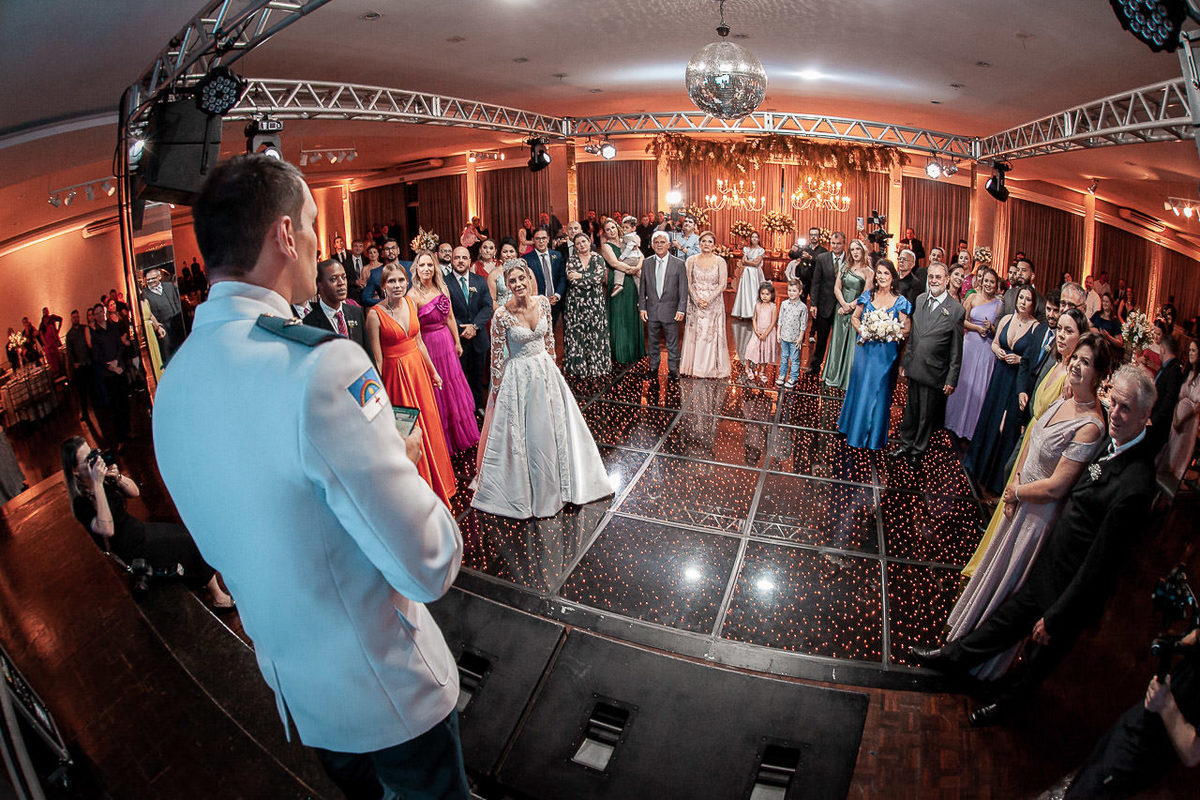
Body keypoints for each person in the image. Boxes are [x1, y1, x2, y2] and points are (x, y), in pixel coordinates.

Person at [153, 156, 467, 798]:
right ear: (285, 236)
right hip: (389, 693)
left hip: (303, 698)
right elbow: (429, 564)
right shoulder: (320, 368)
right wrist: (403, 462)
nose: (321, 244)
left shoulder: (173, 385)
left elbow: (221, 545)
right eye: (314, 225)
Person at [912, 365, 1160, 728]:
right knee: (1005, 621)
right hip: (1052, 562)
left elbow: (1100, 564)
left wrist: (1058, 616)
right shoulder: (1113, 441)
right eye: (1115, 403)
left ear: (1145, 415)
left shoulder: (1137, 483)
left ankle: (1005, 709)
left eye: (1126, 408)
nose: (1116, 414)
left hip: (1073, 588)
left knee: (1040, 657)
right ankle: (951, 658)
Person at [946, 335, 1108, 679]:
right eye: (1076, 358)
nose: (1076, 365)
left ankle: (980, 665)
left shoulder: (1091, 425)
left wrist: (1017, 493)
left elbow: (1057, 486)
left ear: (1099, 375)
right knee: (992, 569)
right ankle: (962, 636)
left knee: (1007, 584)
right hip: (1018, 497)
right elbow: (1033, 443)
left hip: (1036, 514)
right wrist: (1013, 486)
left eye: (1086, 362)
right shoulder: (1066, 397)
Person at [473, 262, 614, 519]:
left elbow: (549, 341)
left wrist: (554, 372)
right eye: (512, 281)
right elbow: (496, 355)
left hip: (545, 372)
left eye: (521, 278)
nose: (518, 284)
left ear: (529, 278)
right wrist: (496, 389)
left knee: (556, 426)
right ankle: (532, 491)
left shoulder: (543, 304)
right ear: (507, 285)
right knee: (529, 432)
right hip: (518, 376)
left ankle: (565, 483)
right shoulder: (502, 315)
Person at [64, 436, 236, 609]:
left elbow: (135, 492)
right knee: (190, 545)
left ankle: (207, 582)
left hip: (138, 530)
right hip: (130, 549)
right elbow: (107, 529)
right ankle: (218, 598)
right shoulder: (82, 503)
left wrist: (117, 478)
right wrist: (97, 485)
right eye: (88, 459)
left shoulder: (102, 479)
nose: (95, 460)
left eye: (93, 453)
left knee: (192, 534)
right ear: (75, 470)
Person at [1064, 626, 1200, 797]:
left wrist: (1166, 704)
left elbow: (1193, 753)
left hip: (1145, 750)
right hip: (1136, 723)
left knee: (1090, 791)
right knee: (1086, 778)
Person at [366, 263, 458, 506]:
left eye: (400, 280)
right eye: (391, 281)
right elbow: (377, 359)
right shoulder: (374, 315)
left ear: (407, 282)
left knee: (429, 424)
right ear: (383, 286)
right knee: (408, 429)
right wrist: (381, 394)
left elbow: (419, 342)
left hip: (418, 371)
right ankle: (415, 492)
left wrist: (433, 371)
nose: (397, 285)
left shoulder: (410, 303)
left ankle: (440, 484)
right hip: (396, 377)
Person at [964, 285, 1041, 495]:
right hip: (999, 374)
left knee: (1006, 427)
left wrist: (1020, 359)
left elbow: (1034, 361)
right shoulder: (1006, 319)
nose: (1023, 302)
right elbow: (995, 343)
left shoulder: (1036, 328)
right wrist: (997, 350)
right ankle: (978, 464)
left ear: (1033, 304)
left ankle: (996, 478)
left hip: (1016, 380)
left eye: (1028, 299)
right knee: (990, 416)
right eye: (1021, 298)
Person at [889, 262, 965, 466]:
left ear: (947, 280)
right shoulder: (921, 299)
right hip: (915, 365)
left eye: (938, 277)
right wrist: (905, 361)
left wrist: (952, 379)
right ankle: (906, 443)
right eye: (931, 276)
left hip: (935, 371)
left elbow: (956, 350)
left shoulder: (956, 310)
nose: (934, 281)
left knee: (926, 414)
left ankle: (918, 448)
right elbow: (914, 335)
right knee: (910, 410)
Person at [407, 250, 480, 455]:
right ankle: (442, 440)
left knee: (453, 386)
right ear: (416, 268)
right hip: (428, 345)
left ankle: (460, 435)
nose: (426, 269)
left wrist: (457, 342)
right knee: (437, 388)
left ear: (435, 268)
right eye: (422, 265)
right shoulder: (412, 295)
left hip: (447, 342)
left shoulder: (442, 288)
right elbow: (414, 331)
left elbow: (450, 317)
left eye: (430, 265)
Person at [837, 259, 912, 450]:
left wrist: (889, 332)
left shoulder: (900, 301)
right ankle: (852, 428)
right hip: (865, 350)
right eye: (879, 273)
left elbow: (906, 329)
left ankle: (873, 436)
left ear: (893, 277)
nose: (882, 276)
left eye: (886, 273)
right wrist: (864, 330)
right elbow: (855, 318)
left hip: (885, 355)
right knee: (859, 386)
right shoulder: (867, 295)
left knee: (879, 391)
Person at [946, 267, 1002, 439]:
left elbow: (999, 331)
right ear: (981, 282)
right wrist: (977, 328)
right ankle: (954, 423)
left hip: (986, 350)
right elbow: (961, 320)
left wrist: (991, 328)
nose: (989, 284)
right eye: (986, 281)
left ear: (996, 285)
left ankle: (971, 428)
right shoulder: (972, 298)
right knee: (964, 383)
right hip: (970, 346)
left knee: (979, 387)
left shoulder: (999, 305)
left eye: (992, 282)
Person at [446, 246, 493, 415]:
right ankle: (461, 410)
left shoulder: (480, 281)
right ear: (452, 260)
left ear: (469, 260)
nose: (460, 261)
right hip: (456, 339)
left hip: (478, 337)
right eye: (457, 258)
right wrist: (462, 327)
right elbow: (446, 311)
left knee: (477, 376)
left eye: (464, 258)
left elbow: (487, 306)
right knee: (457, 378)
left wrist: (475, 326)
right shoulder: (444, 283)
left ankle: (477, 406)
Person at [822, 237, 873, 391]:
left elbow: (866, 294)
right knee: (837, 342)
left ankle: (846, 379)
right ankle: (833, 375)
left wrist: (850, 306)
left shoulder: (869, 271)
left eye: (858, 249)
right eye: (852, 249)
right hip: (841, 307)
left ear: (863, 251)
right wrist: (843, 304)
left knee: (851, 344)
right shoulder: (845, 266)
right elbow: (837, 288)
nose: (855, 252)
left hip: (856, 310)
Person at [679, 231, 731, 379]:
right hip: (695, 303)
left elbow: (722, 284)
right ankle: (693, 367)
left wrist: (708, 299)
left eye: (710, 241)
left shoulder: (720, 261)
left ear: (714, 245)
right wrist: (696, 299)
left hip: (713, 303)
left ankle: (709, 368)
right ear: (699, 243)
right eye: (703, 241)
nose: (706, 244)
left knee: (710, 335)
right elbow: (688, 282)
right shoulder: (691, 260)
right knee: (695, 333)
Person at [562, 232, 612, 378]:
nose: (581, 245)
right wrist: (588, 278)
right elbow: (572, 280)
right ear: (575, 247)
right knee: (576, 334)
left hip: (595, 303)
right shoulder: (571, 260)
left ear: (589, 242)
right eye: (578, 243)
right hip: (575, 305)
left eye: (583, 241)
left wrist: (581, 276)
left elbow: (599, 278)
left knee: (596, 334)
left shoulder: (598, 258)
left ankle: (597, 367)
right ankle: (578, 368)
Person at [639, 230, 688, 379]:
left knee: (672, 342)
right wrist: (642, 307)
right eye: (656, 242)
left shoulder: (679, 264)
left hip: (671, 311)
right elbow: (642, 287)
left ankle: (673, 370)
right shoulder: (647, 263)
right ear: (652, 245)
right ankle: (653, 368)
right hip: (652, 310)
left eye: (662, 242)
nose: (659, 245)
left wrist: (681, 309)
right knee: (652, 341)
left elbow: (683, 289)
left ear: (668, 245)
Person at [598, 218, 645, 365]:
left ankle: (634, 351)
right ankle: (620, 353)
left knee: (632, 312)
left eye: (613, 227)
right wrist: (631, 269)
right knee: (619, 314)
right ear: (605, 233)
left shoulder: (627, 239)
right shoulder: (606, 246)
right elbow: (614, 263)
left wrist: (638, 267)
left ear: (618, 227)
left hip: (631, 281)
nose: (611, 231)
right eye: (608, 229)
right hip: (618, 281)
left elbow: (641, 256)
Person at [1157, 339, 1200, 483]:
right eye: (1189, 350)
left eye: (1193, 350)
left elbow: (1197, 406)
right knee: (1167, 452)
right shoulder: (1187, 373)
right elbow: (1177, 398)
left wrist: (1182, 421)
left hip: (1188, 425)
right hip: (1176, 421)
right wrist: (1175, 418)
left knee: (1177, 456)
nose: (1190, 353)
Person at [303, 259, 367, 350]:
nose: (341, 283)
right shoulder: (309, 323)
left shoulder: (356, 312)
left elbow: (367, 352)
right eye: (333, 279)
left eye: (343, 277)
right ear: (319, 285)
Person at [807, 231, 847, 373]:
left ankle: (837, 370)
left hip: (843, 306)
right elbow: (816, 283)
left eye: (838, 244)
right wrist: (813, 304)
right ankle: (815, 367)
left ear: (844, 244)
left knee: (840, 340)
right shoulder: (822, 258)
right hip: (824, 305)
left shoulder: (850, 260)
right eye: (833, 243)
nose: (835, 246)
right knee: (821, 339)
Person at [1149, 332, 1184, 456]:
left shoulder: (1174, 370)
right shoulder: (1167, 367)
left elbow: (1168, 401)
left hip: (1157, 426)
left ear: (1163, 349)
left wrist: (1153, 420)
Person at [522, 227, 566, 326]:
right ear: (533, 240)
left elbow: (562, 277)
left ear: (548, 239)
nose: (541, 241)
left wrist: (557, 295)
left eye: (544, 238)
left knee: (552, 330)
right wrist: (540, 299)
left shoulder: (557, 255)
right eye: (537, 239)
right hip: (536, 304)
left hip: (555, 302)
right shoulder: (526, 259)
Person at [742, 282, 779, 383]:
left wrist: (765, 334)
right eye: (762, 294)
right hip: (757, 332)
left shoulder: (773, 307)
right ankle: (747, 367)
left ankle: (762, 372)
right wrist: (756, 330)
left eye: (767, 294)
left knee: (764, 351)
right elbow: (754, 318)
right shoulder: (757, 305)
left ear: (772, 295)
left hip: (768, 333)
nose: (764, 296)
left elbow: (773, 322)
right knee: (750, 348)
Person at [776, 280, 808, 389]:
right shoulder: (784, 304)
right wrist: (778, 333)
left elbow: (803, 324)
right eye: (789, 290)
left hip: (795, 339)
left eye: (794, 291)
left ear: (800, 292)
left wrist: (800, 338)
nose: (791, 293)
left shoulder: (803, 307)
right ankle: (782, 375)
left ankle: (793, 378)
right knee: (784, 357)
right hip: (784, 336)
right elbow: (780, 319)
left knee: (794, 359)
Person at [64, 310, 93, 421]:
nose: (76, 319)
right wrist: (74, 363)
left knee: (92, 387)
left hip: (88, 362)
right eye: (74, 317)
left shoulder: (84, 329)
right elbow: (69, 351)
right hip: (79, 366)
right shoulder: (70, 335)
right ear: (71, 319)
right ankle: (85, 412)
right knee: (82, 391)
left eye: (77, 317)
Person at [1000, 257, 1047, 323]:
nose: (1019, 273)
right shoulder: (1009, 294)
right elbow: (1000, 317)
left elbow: (1042, 325)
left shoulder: (1040, 299)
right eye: (1018, 270)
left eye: (1024, 270)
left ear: (1032, 276)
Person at [731, 231, 766, 319]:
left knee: (754, 291)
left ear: (758, 239)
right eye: (752, 237)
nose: (754, 239)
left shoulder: (761, 250)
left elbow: (757, 263)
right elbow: (743, 262)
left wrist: (748, 261)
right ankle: (743, 312)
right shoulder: (746, 249)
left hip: (755, 273)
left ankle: (753, 313)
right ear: (750, 239)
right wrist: (751, 262)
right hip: (746, 272)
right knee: (745, 291)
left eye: (756, 237)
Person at [488, 242, 519, 309]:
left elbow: (533, 294)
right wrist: (503, 313)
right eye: (505, 252)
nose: (508, 255)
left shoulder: (526, 271)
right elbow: (492, 300)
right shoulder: (494, 274)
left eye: (511, 251)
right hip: (502, 311)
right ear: (500, 254)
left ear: (516, 253)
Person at [37, 307, 63, 375]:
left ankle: (59, 372)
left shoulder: (52, 320)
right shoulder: (42, 327)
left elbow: (60, 319)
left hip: (53, 342)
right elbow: (41, 335)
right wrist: (46, 345)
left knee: (57, 358)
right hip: (48, 346)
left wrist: (58, 331)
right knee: (51, 361)